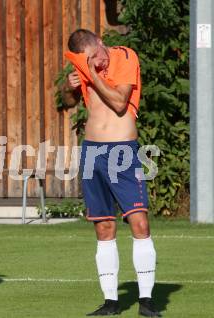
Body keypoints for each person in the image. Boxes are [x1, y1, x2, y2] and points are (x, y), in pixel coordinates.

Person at [65, 29, 161, 317]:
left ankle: (146, 301)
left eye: (96, 56)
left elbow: (120, 103)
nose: (96, 62)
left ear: (101, 44)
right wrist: (69, 88)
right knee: (103, 226)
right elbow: (70, 104)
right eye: (88, 60)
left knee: (139, 222)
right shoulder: (82, 64)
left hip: (122, 150)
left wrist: (92, 74)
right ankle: (111, 302)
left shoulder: (124, 57)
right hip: (92, 151)